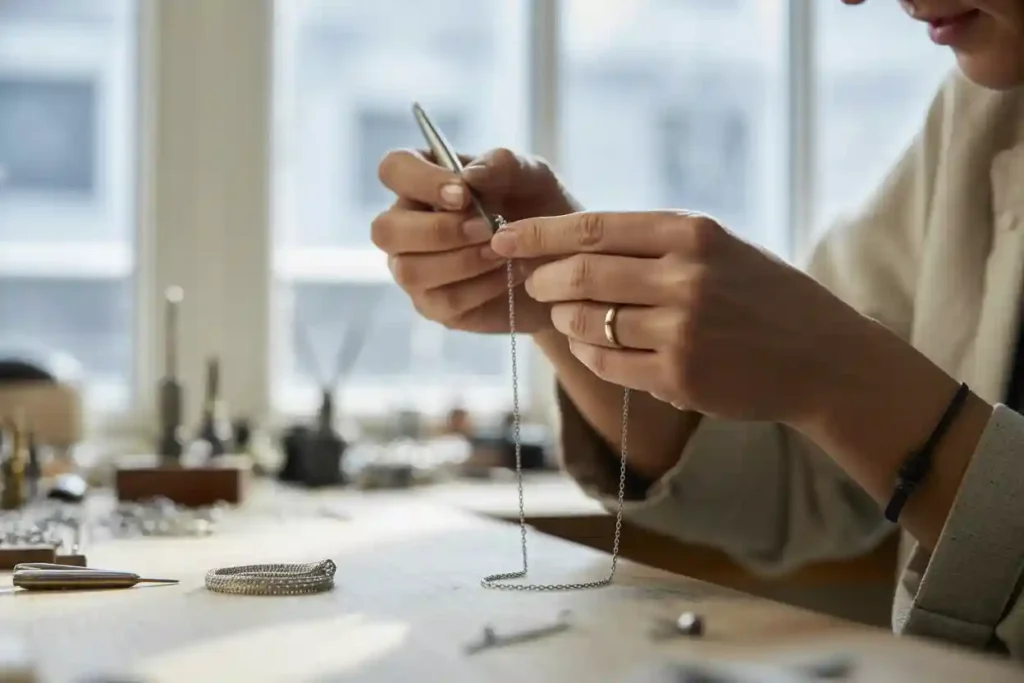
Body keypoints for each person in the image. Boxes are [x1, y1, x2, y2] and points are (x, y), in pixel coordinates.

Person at [372, 0, 1024, 661]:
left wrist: (836, 374)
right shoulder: (982, 117)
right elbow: (807, 478)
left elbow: (862, 411)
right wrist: (562, 289)